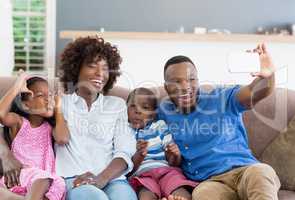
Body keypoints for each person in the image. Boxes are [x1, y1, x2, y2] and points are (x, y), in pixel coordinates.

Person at [158, 44, 281, 200]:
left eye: (191, 79)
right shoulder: (162, 112)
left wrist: (268, 76)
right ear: (166, 88)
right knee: (201, 194)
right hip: (210, 183)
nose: (185, 87)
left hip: (245, 171)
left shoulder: (221, 98)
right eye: (176, 82)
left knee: (261, 172)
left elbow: (254, 93)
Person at [56, 36, 137, 200]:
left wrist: (101, 179)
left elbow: (124, 152)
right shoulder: (60, 104)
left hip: (113, 180)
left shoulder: (117, 105)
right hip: (74, 179)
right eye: (92, 66)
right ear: (76, 68)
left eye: (105, 68)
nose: (100, 74)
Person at [0, 73, 66, 200]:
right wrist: (17, 87)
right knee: (42, 178)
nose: (48, 99)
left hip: (43, 183)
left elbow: (63, 138)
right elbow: (1, 115)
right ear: (25, 104)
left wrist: (58, 107)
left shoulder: (50, 128)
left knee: (60, 184)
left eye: (51, 95)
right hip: (21, 176)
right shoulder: (19, 122)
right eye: (41, 95)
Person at [127, 88, 198, 200]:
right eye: (133, 106)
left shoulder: (159, 126)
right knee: (145, 196)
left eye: (145, 108)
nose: (137, 111)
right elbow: (127, 168)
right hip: (143, 175)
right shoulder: (125, 131)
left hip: (165, 171)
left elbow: (174, 162)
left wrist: (174, 154)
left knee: (179, 190)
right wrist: (140, 154)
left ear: (152, 114)